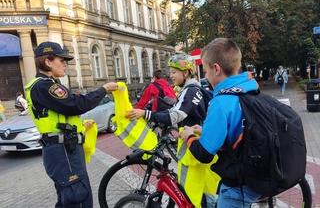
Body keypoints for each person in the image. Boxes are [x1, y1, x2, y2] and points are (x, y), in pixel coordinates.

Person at [24, 41, 117, 208]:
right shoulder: (44, 86)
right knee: (78, 197)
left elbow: (60, 116)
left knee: (68, 199)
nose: (65, 65)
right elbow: (75, 105)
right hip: (63, 151)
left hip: (63, 148)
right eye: (62, 60)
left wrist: (81, 127)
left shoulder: (47, 85)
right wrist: (103, 89)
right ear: (48, 62)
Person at [180, 38, 262, 207]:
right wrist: (205, 130)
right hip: (258, 172)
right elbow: (237, 127)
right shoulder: (249, 88)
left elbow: (204, 154)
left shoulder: (221, 102)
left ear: (216, 69)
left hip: (239, 185)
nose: (205, 76)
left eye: (205, 70)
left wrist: (189, 136)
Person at [126, 54, 212, 207]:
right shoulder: (188, 89)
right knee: (195, 188)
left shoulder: (191, 91)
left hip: (194, 147)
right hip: (194, 144)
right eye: (170, 72)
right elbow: (174, 109)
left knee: (194, 191)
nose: (170, 75)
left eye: (174, 72)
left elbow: (175, 116)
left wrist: (145, 114)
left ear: (185, 73)